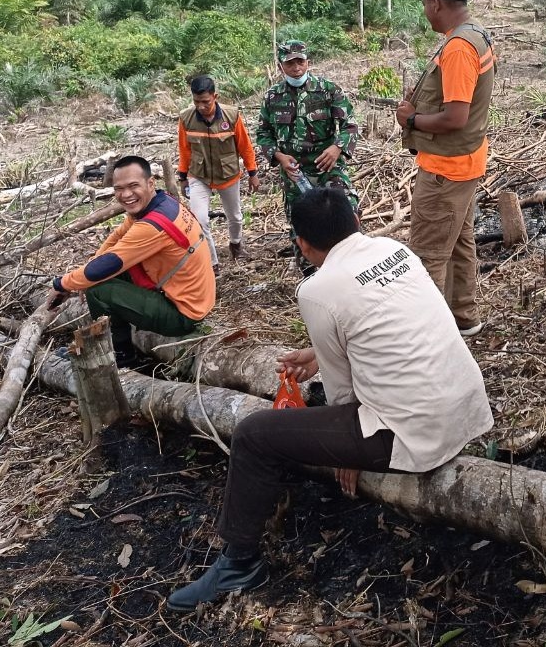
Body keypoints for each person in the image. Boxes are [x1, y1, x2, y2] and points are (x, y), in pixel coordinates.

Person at [166, 188, 493, 611]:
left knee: (252, 434)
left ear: (302, 243)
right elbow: (385, 329)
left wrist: (346, 451)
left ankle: (239, 562)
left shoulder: (317, 290)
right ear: (355, 221)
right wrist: (319, 355)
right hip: (464, 406)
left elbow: (343, 395)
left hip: (414, 433)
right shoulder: (393, 250)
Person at [396, 0, 495, 338]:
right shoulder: (477, 35)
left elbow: (456, 116)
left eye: (425, 4)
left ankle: (431, 338)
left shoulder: (457, 49)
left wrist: (414, 119)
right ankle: (463, 318)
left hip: (445, 171)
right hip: (465, 164)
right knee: (459, 242)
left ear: (435, 2)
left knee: (428, 255)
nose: (425, 12)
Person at [48, 155, 216, 365]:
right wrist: (88, 269)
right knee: (98, 276)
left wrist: (62, 283)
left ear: (150, 183)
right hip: (194, 296)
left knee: (98, 290)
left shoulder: (151, 227)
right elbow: (116, 238)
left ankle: (120, 355)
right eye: (119, 188)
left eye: (133, 186)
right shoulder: (163, 203)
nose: (126, 194)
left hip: (184, 314)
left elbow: (104, 268)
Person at [255, 39, 359, 273]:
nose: (296, 67)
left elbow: (350, 125)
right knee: (301, 224)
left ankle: (353, 269)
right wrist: (278, 156)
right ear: (281, 66)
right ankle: (312, 278)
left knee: (346, 212)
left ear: (308, 62)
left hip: (328, 166)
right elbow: (263, 133)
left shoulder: (328, 90)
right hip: (294, 172)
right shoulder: (272, 97)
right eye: (290, 63)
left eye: (300, 61)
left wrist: (337, 148)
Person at [176, 75, 260, 266]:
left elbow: (245, 146)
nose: (201, 106)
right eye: (196, 102)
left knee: (235, 217)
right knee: (200, 220)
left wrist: (252, 173)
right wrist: (182, 177)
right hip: (199, 175)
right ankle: (212, 263)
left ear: (215, 96)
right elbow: (184, 149)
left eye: (205, 101)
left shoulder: (231, 116)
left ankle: (236, 245)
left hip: (228, 175)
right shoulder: (186, 119)